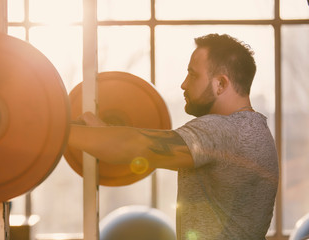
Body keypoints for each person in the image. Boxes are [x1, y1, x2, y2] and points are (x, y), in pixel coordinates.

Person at [68, 33, 279, 240]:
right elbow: (141, 142)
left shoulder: (224, 130)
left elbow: (134, 146)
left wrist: (56, 131)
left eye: (193, 75)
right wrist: (102, 130)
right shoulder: (253, 128)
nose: (184, 84)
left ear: (221, 84)